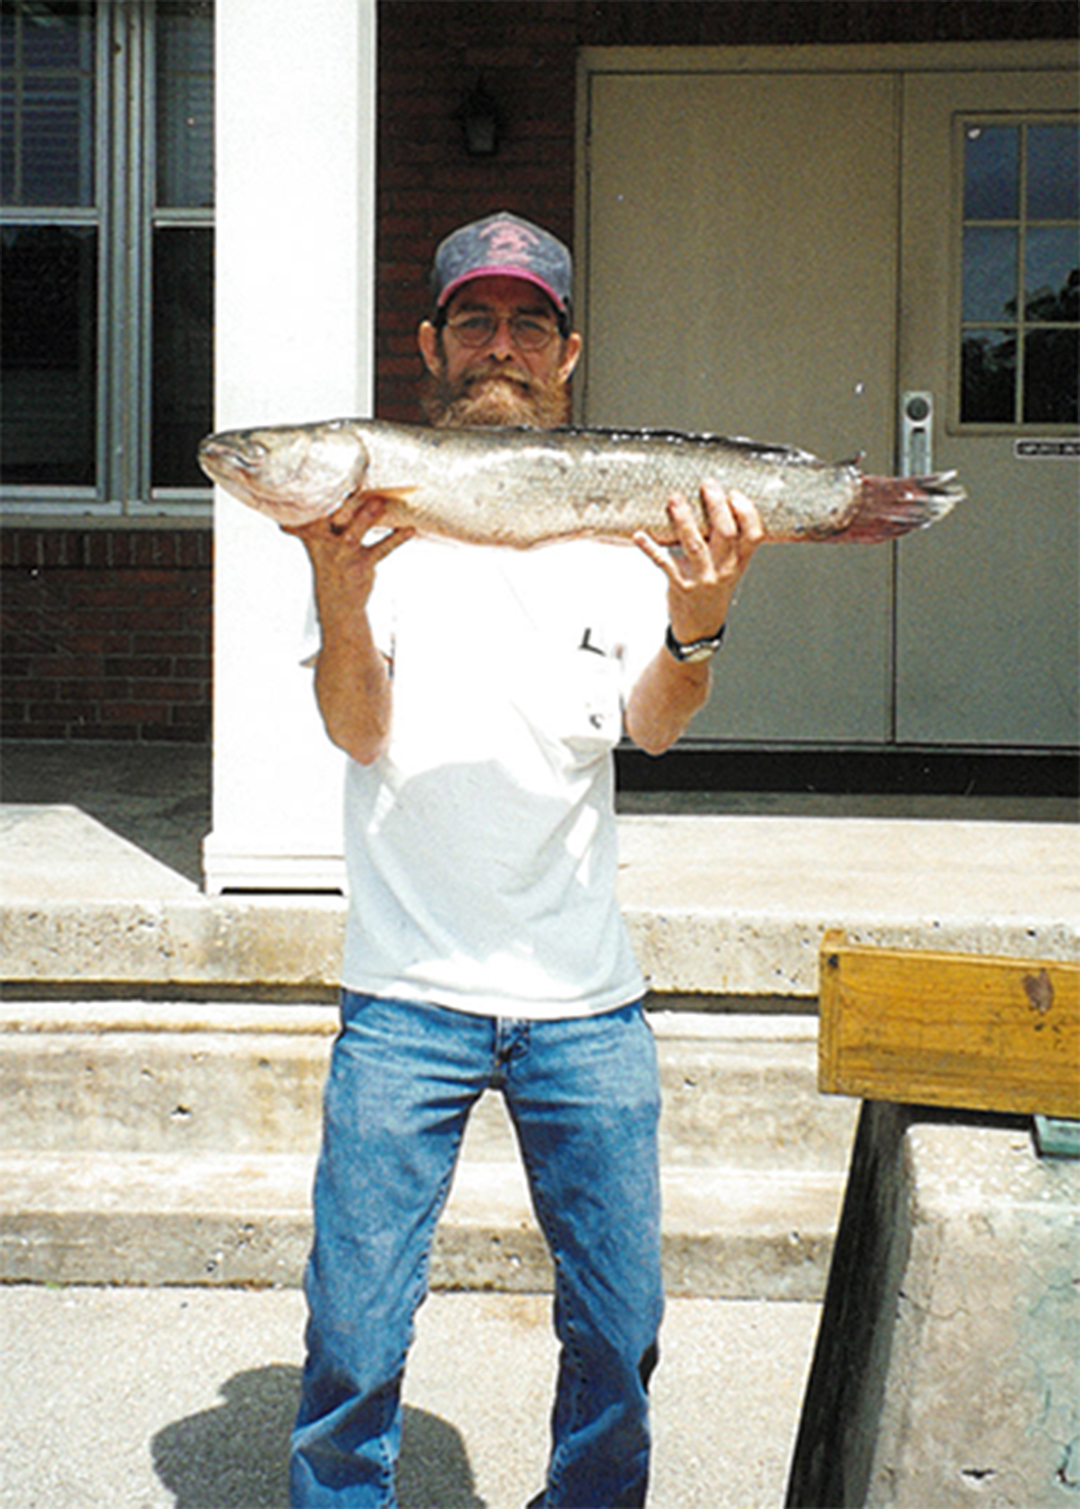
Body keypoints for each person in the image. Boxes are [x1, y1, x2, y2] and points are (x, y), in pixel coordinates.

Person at [288, 211, 762, 1508]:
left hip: (584, 1002)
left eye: (530, 323)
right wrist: (338, 601)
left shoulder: (616, 527)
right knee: (354, 1338)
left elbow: (652, 726)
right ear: (431, 343)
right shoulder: (366, 514)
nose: (503, 347)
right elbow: (357, 726)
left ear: (569, 355)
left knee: (619, 1332)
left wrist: (699, 624)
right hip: (405, 994)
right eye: (478, 321)